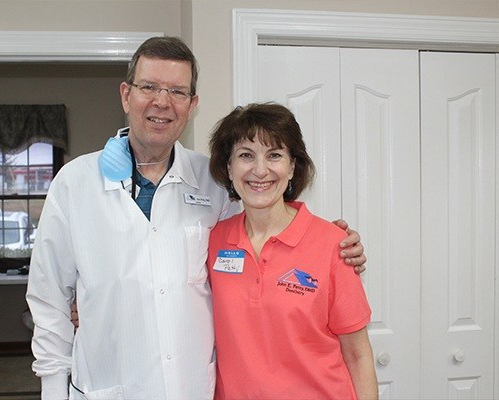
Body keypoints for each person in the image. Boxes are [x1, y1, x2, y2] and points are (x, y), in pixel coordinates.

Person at [27, 36, 366, 400]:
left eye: (177, 91)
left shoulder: (214, 183)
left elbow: (264, 236)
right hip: (107, 386)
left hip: (192, 388)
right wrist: (53, 387)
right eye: (149, 87)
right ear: (126, 95)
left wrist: (335, 247)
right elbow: (49, 300)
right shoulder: (75, 183)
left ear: (192, 104)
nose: (162, 102)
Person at [207, 102, 377, 399]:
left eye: (274, 155)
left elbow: (358, 356)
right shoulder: (214, 241)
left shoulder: (334, 245)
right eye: (246, 155)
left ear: (292, 166)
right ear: (228, 168)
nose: (260, 170)